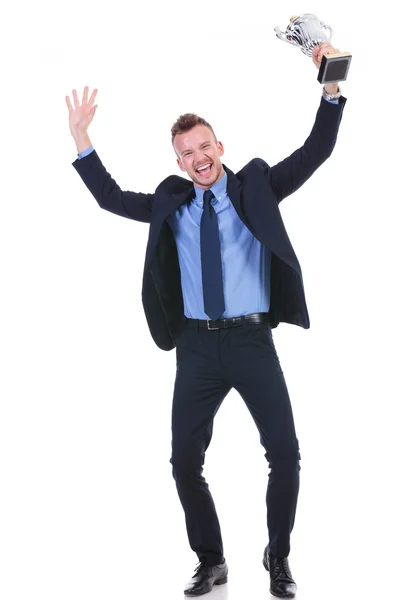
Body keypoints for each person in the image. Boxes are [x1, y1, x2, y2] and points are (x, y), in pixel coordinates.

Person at [66, 41, 346, 598]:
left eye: (204, 145)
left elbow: (316, 150)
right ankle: (212, 560)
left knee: (285, 454)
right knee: (183, 461)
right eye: (186, 151)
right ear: (178, 162)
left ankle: (279, 554)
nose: (198, 156)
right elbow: (110, 197)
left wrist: (331, 84)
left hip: (250, 341)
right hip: (196, 348)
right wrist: (82, 140)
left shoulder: (257, 186)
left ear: (220, 147)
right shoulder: (172, 202)